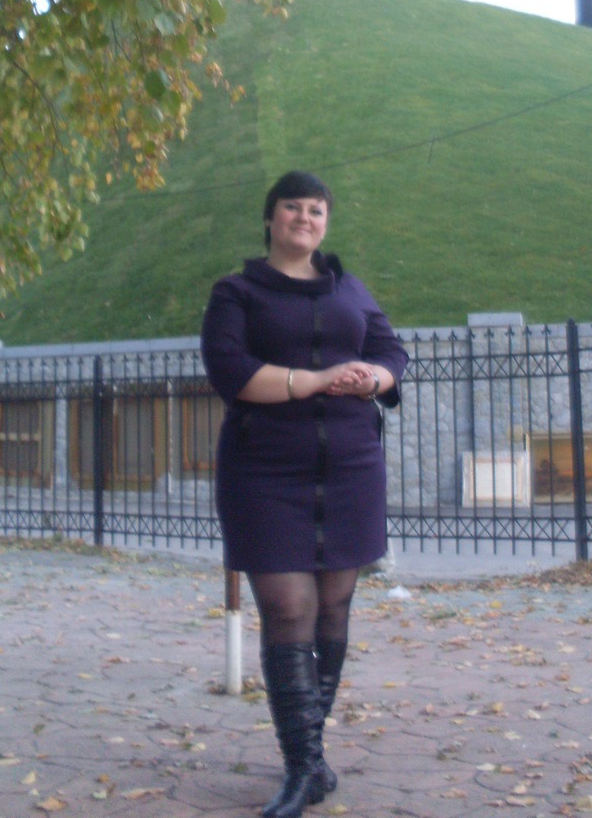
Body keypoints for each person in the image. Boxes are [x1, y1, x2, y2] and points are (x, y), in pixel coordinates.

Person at [201, 170, 408, 818]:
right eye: (292, 207)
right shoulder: (236, 292)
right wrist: (317, 380)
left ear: (326, 222)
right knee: (289, 608)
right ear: (270, 218)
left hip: (350, 467)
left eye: (316, 210)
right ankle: (301, 768)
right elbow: (230, 371)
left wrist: (373, 378)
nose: (304, 218)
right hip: (265, 470)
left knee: (335, 608)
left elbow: (392, 352)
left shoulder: (351, 288)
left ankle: (312, 762)